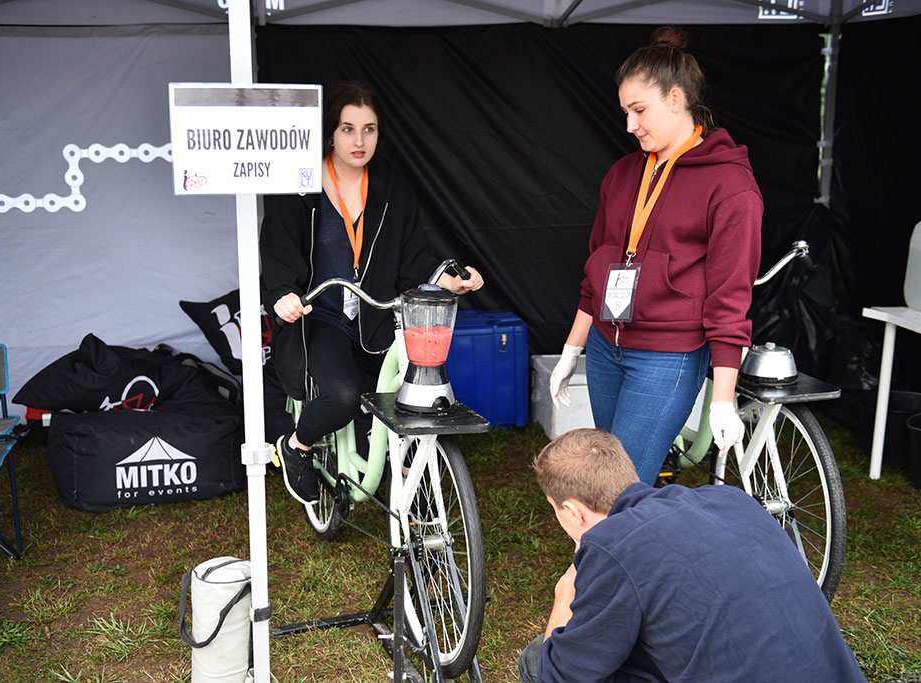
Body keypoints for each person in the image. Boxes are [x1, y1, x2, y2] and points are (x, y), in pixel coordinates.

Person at [548, 26, 763, 485]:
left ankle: (603, 555)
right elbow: (597, 272)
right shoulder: (623, 174)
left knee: (623, 485)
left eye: (639, 110)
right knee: (612, 478)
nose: (630, 125)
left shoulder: (730, 186)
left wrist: (722, 398)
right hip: (607, 347)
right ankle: (620, 549)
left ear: (676, 99)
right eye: (625, 112)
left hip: (667, 356)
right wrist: (572, 348)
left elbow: (730, 298)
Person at [259, 81, 483, 503]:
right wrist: (283, 294)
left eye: (369, 129)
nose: (359, 141)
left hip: (375, 314)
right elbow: (278, 249)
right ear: (330, 133)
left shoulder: (389, 183)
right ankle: (296, 448)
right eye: (347, 129)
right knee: (342, 396)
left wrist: (448, 278)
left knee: (410, 394)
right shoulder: (301, 182)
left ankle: (405, 473)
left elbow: (413, 251)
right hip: (318, 313)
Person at [519, 428, 867, 683]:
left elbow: (560, 676)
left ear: (573, 511)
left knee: (538, 658)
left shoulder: (613, 544)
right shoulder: (733, 499)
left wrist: (565, 591)